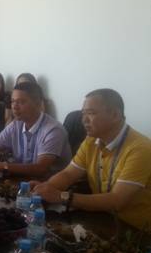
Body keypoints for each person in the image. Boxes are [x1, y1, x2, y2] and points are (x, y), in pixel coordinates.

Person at [33, 89, 151, 230]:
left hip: (135, 230)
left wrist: (61, 196)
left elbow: (117, 200)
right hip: (102, 217)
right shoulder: (91, 140)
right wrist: (45, 188)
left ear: (115, 115)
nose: (84, 120)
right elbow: (68, 174)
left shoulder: (140, 148)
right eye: (83, 113)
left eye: (91, 113)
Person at [0, 82, 71, 178]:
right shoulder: (16, 125)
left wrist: (0, 166)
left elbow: (40, 168)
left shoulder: (53, 130)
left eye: (21, 102)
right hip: (22, 180)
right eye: (13, 101)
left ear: (38, 104)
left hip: (50, 184)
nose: (14, 107)